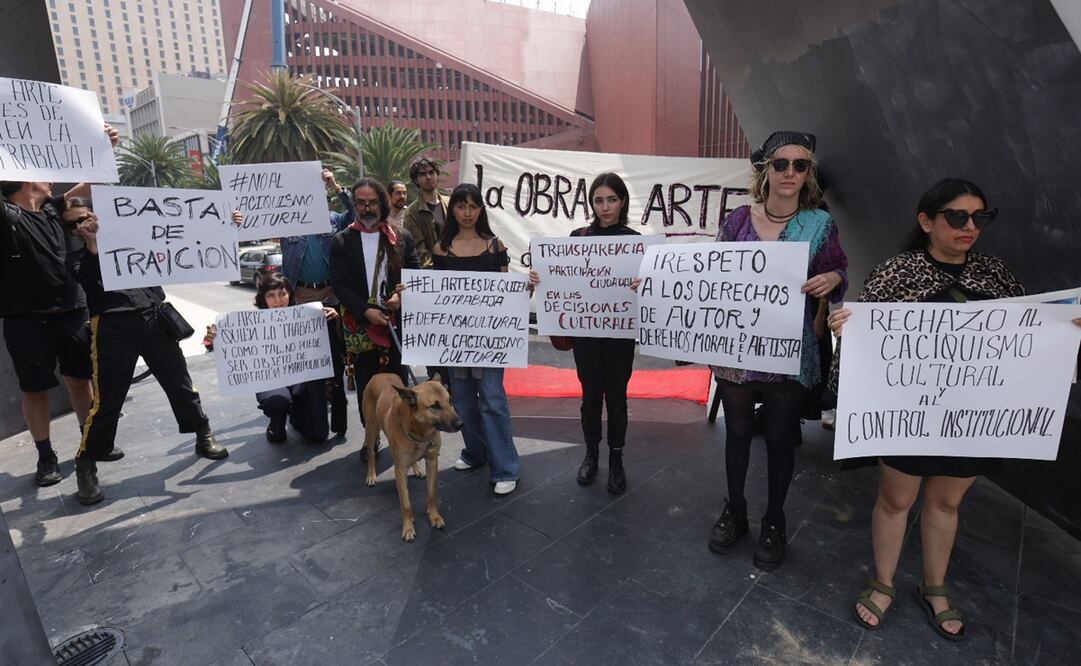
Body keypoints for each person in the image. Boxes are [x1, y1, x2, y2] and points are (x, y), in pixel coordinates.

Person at [829, 178, 1081, 640]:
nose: (970, 226)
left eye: (980, 217)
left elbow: (1022, 344)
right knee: (896, 501)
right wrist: (847, 328)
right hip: (908, 416)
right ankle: (883, 582)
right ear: (926, 222)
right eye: (957, 216)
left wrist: (1063, 330)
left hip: (970, 420)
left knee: (946, 502)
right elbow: (865, 347)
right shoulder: (894, 274)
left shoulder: (997, 276)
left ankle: (935, 586)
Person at [708, 131, 848, 570]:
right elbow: (708, 274)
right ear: (764, 169)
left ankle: (773, 520)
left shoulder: (820, 224)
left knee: (781, 439)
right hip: (737, 351)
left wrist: (834, 281)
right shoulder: (736, 221)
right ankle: (734, 508)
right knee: (736, 435)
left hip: (788, 351)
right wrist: (659, 282)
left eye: (800, 165)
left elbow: (838, 269)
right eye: (781, 164)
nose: (790, 172)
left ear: (809, 174)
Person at [68, 197, 231, 505]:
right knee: (108, 399)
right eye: (75, 222)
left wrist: (223, 223)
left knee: (181, 385)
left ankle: (202, 431)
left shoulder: (140, 239)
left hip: (154, 319)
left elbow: (186, 235)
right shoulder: (78, 257)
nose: (84, 224)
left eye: (88, 216)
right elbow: (86, 280)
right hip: (113, 329)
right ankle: (86, 463)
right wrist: (93, 246)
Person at [0, 124, 117, 487]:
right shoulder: (5, 215)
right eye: (41, 171)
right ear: (23, 178)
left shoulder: (55, 208)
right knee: (34, 389)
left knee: (81, 381)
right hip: (26, 320)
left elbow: (92, 182)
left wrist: (105, 144)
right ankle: (46, 456)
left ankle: (91, 442)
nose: (51, 177)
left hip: (72, 312)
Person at [528, 172, 638, 494]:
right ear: (591, 203)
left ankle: (616, 458)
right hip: (586, 336)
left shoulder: (635, 241)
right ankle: (591, 454)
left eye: (612, 200)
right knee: (590, 398)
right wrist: (540, 278)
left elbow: (650, 291)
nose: (605, 207)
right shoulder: (578, 237)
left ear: (622, 202)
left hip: (619, 334)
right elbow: (561, 279)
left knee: (617, 400)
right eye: (598, 200)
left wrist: (643, 284)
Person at [433, 183, 521, 495]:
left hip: (492, 339)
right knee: (464, 401)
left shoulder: (494, 246)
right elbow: (435, 295)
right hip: (456, 339)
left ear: (481, 210)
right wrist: (410, 294)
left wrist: (527, 291)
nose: (467, 213)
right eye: (461, 206)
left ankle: (506, 467)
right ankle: (476, 451)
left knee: (493, 399)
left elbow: (506, 290)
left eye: (473, 206)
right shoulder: (441, 250)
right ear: (452, 209)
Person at [330, 178, 419, 440]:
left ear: (382, 203)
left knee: (398, 382)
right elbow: (340, 284)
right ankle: (371, 438)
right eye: (361, 203)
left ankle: (401, 433)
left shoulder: (401, 238)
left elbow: (414, 274)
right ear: (355, 204)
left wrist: (399, 297)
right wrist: (365, 311)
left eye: (372, 203)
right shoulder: (342, 241)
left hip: (395, 324)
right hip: (360, 324)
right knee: (367, 385)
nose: (367, 208)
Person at [206, 273, 340, 443]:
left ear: (290, 294)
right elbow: (224, 349)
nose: (278, 300)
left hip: (301, 378)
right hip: (271, 380)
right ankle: (276, 422)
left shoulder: (309, 316)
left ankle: (299, 416)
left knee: (317, 435)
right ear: (263, 298)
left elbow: (333, 345)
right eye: (271, 295)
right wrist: (214, 338)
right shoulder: (249, 324)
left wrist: (335, 319)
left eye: (282, 294)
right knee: (278, 401)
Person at [278, 166, 353, 435]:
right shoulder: (286, 223)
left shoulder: (333, 219)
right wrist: (237, 218)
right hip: (301, 297)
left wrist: (336, 186)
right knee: (308, 358)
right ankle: (310, 411)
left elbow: (356, 216)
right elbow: (251, 224)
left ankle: (338, 408)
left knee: (336, 356)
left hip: (331, 296)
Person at [402, 157, 449, 268]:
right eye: (422, 174)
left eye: (431, 172)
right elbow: (420, 253)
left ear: (437, 174)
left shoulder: (451, 204)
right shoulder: (412, 213)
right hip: (434, 274)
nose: (428, 177)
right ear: (416, 180)